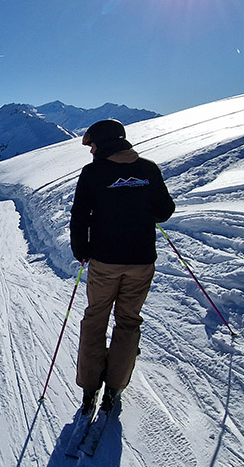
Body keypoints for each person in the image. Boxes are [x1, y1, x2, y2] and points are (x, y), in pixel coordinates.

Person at [70, 119, 175, 416]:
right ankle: (115, 387)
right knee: (128, 321)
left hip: (105, 261)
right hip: (142, 261)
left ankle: (90, 388)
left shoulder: (93, 173)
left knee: (95, 320)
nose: (90, 150)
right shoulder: (148, 169)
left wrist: (82, 251)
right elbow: (164, 211)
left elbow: (80, 216)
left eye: (92, 144)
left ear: (102, 143)